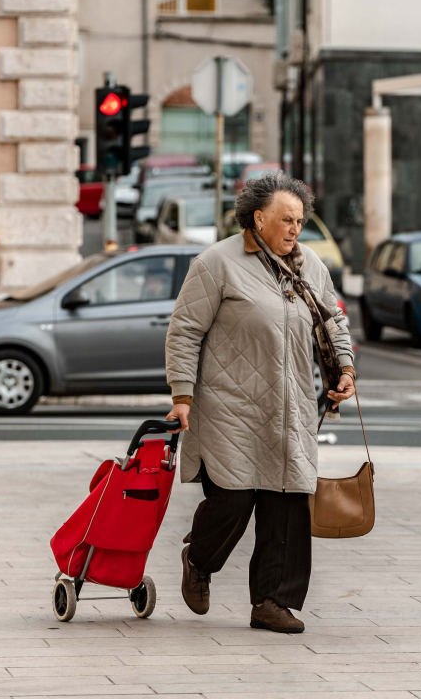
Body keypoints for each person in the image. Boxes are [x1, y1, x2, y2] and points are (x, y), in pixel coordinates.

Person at [163, 172, 356, 634]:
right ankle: (199, 557)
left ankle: (273, 602)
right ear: (258, 218)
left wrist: (345, 369)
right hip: (229, 405)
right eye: (287, 220)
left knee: (287, 500)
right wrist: (182, 395)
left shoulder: (310, 265)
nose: (295, 229)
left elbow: (333, 322)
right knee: (233, 497)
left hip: (291, 405)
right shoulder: (216, 264)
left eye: (300, 220)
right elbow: (184, 331)